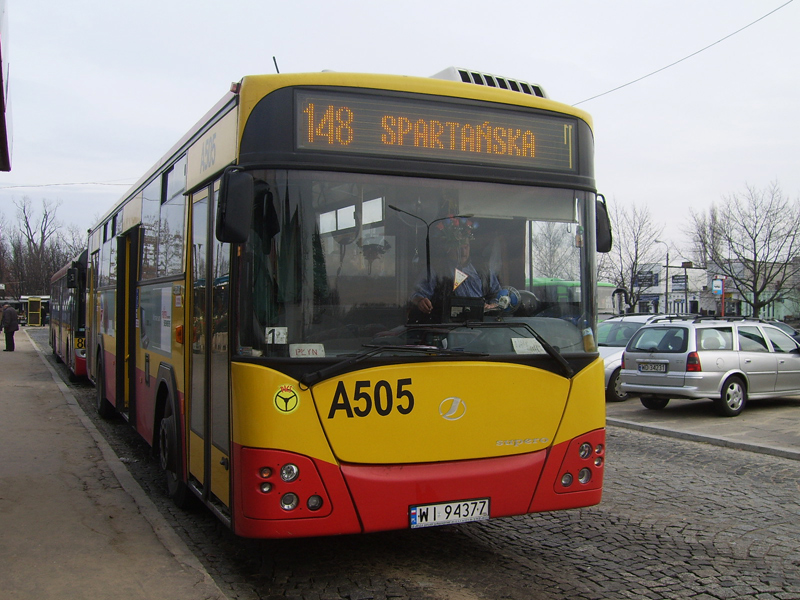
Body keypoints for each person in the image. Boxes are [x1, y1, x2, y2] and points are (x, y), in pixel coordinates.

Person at [410, 217, 501, 322]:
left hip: (477, 326)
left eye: (466, 247)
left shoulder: (483, 270)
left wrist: (492, 305)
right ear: (448, 248)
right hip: (446, 326)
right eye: (458, 248)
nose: (463, 252)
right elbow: (416, 294)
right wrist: (421, 301)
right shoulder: (436, 270)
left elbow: (497, 294)